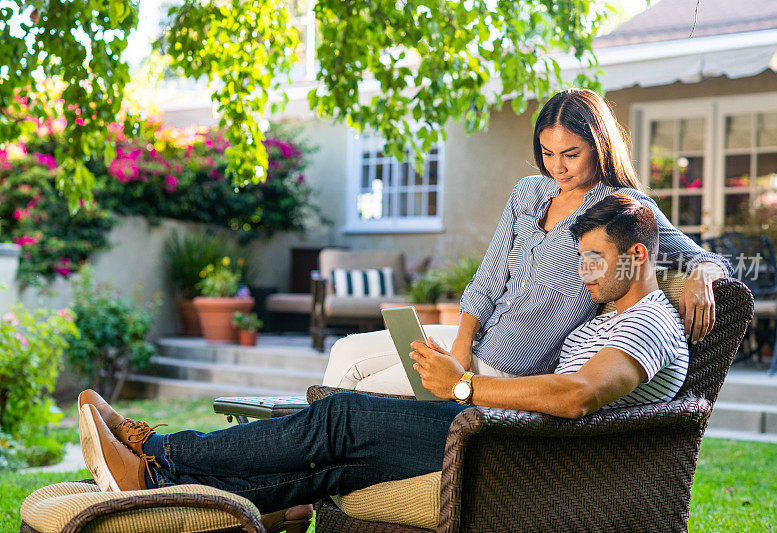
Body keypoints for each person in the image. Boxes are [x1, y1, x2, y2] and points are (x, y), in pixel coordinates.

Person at [79, 194, 689, 520]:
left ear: (635, 256)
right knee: (335, 471)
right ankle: (158, 484)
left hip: (504, 445)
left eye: (592, 260)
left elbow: (579, 393)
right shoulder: (607, 310)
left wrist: (462, 386)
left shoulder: (649, 321)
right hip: (498, 432)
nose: (580, 273)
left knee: (338, 417)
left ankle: (160, 450)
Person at [322, 88, 729, 395]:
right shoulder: (528, 192)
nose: (557, 167)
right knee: (344, 352)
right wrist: (461, 348)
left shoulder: (621, 209)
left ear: (599, 145)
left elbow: (710, 259)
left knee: (364, 390)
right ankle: (310, 488)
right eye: (547, 152)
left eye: (571, 153)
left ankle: (310, 483)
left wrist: (701, 276)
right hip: (473, 343)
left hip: (510, 366)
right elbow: (487, 278)